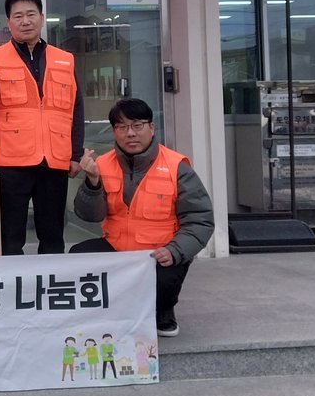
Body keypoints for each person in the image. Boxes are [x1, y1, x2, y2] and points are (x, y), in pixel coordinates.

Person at [71, 98, 215, 338]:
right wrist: (92, 182)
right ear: (114, 131)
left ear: (152, 127)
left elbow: (200, 219)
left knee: (167, 274)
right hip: (117, 249)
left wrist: (175, 250)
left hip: (158, 254)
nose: (130, 133)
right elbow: (89, 215)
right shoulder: (102, 164)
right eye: (122, 127)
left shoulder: (176, 166)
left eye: (137, 125)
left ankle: (162, 311)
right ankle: (109, 311)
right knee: (77, 257)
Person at [0, 0, 83, 254]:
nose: (25, 21)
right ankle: (13, 281)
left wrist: (75, 154)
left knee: (53, 236)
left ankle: (50, 279)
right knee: (10, 237)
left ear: (42, 17)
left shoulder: (65, 59)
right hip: (11, 164)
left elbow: (75, 109)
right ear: (9, 22)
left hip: (53, 162)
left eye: (31, 14)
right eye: (18, 16)